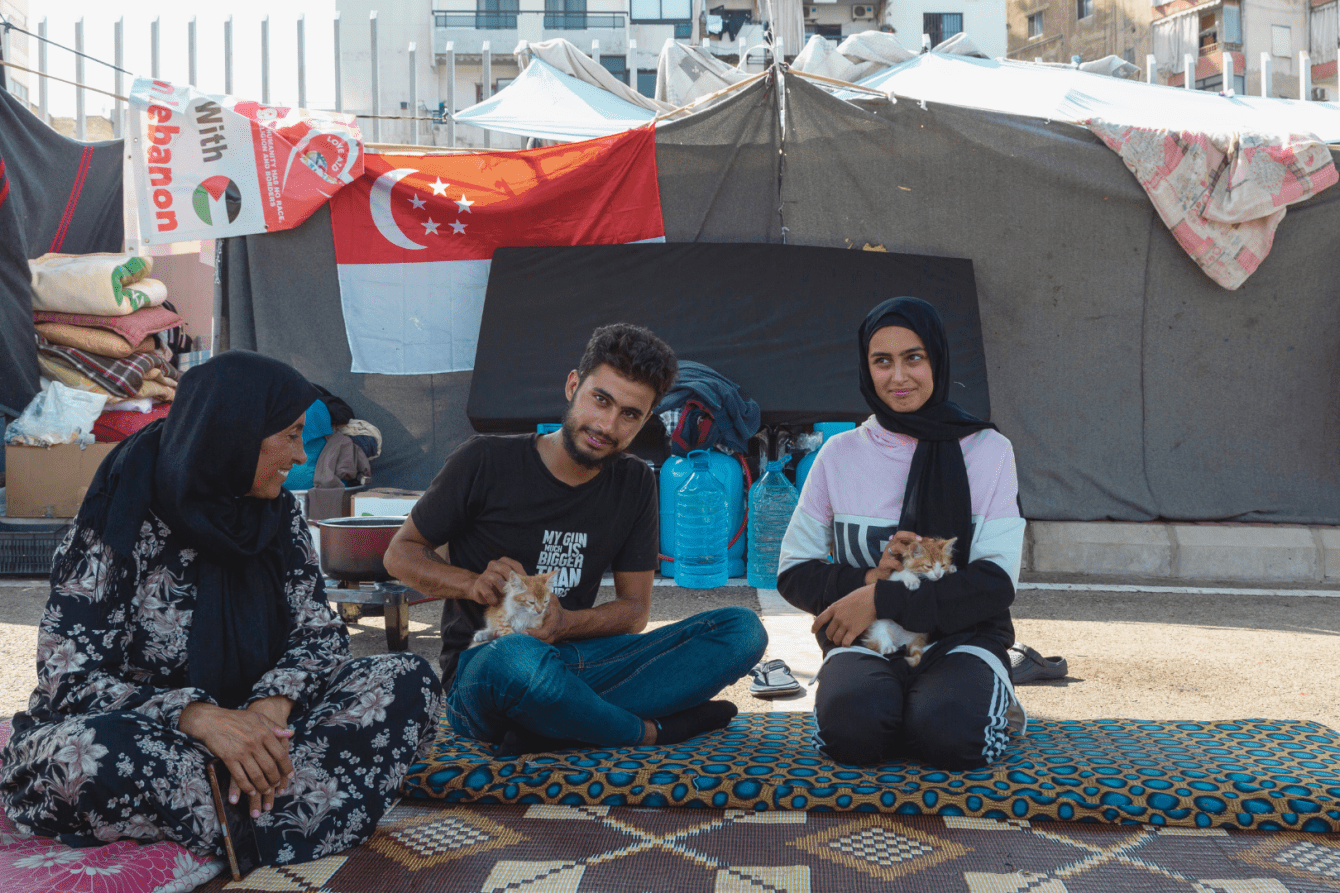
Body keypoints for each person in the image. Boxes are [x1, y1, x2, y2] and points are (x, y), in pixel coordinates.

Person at [0, 352, 442, 867]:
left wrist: (267, 709)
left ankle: (241, 819)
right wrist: (198, 717)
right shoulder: (116, 521)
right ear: (233, 433)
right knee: (92, 755)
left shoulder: (276, 517)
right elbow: (69, 681)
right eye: (289, 436)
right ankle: (291, 816)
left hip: (265, 735)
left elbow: (319, 636)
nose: (300, 457)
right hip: (161, 739)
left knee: (405, 679)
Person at [384, 323, 767, 753]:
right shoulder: (485, 459)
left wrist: (566, 623)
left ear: (645, 421)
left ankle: (550, 725)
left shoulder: (636, 481)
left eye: (629, 414)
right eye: (600, 400)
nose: (607, 425)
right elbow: (400, 554)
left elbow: (634, 611)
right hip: (487, 669)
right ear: (572, 386)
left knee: (741, 630)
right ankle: (648, 731)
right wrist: (470, 583)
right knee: (517, 660)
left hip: (578, 661)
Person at [777, 297, 1026, 769]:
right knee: (853, 729)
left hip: (962, 639)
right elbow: (794, 573)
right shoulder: (839, 455)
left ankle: (962, 701)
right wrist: (868, 584)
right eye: (882, 361)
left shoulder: (989, 452)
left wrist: (883, 597)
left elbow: (994, 586)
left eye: (914, 357)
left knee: (953, 734)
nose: (898, 377)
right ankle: (901, 709)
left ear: (937, 358)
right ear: (866, 368)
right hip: (869, 640)